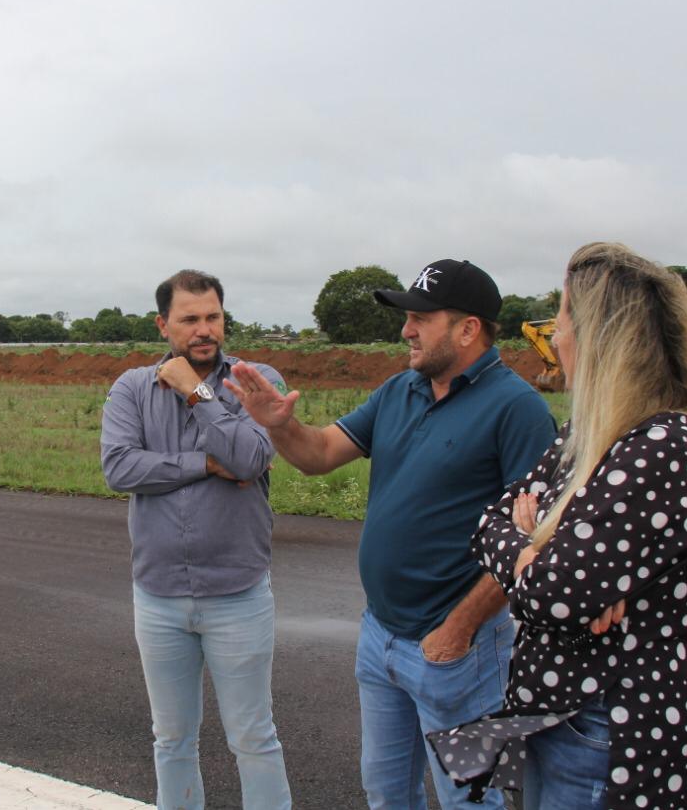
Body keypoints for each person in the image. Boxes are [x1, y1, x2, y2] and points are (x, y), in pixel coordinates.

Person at [227, 259, 556, 810]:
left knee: (470, 802)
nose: (406, 330)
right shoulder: (400, 389)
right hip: (381, 636)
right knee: (386, 793)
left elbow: (534, 542)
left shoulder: (517, 408)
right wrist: (280, 425)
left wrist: (458, 629)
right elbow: (319, 453)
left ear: (468, 329)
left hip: (462, 653)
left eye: (421, 319)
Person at [428, 242, 687, 809]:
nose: (555, 337)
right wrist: (538, 552)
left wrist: (537, 546)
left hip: (610, 729)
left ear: (600, 338)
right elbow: (489, 522)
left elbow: (553, 597)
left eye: (561, 321)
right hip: (566, 717)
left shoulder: (661, 447)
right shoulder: (589, 436)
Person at [100, 269, 292, 810]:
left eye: (213, 317)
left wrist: (197, 392)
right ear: (163, 325)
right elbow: (119, 468)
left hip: (238, 594)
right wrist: (206, 463)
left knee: (253, 737)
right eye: (189, 319)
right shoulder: (132, 388)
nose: (204, 329)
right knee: (171, 738)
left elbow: (250, 459)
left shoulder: (257, 380)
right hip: (158, 596)